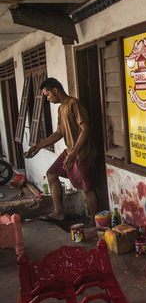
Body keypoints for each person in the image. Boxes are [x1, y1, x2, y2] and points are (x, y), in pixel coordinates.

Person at [27, 77, 98, 224]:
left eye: (47, 95)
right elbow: (59, 133)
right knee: (52, 174)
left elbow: (85, 129)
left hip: (82, 153)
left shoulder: (74, 104)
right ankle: (59, 212)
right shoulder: (61, 108)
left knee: (87, 188)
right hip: (70, 151)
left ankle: (94, 221)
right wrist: (39, 146)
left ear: (55, 90)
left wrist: (73, 154)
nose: (48, 99)